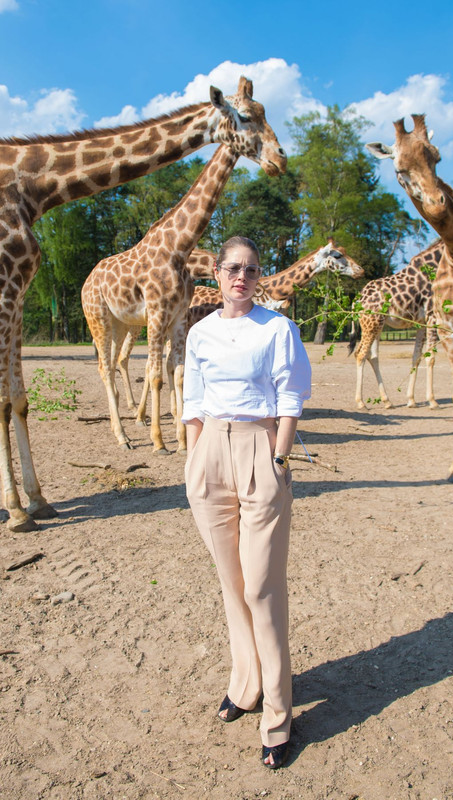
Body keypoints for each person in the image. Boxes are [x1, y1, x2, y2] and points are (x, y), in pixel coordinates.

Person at [182, 235, 312, 769]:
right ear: (216, 274)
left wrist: (279, 460)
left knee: (261, 585)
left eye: (252, 269)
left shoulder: (278, 328)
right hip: (210, 450)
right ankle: (245, 684)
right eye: (233, 267)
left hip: (261, 448)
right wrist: (195, 462)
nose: (242, 276)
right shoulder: (200, 332)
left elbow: (289, 397)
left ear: (260, 277)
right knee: (231, 583)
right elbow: (192, 399)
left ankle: (279, 715)